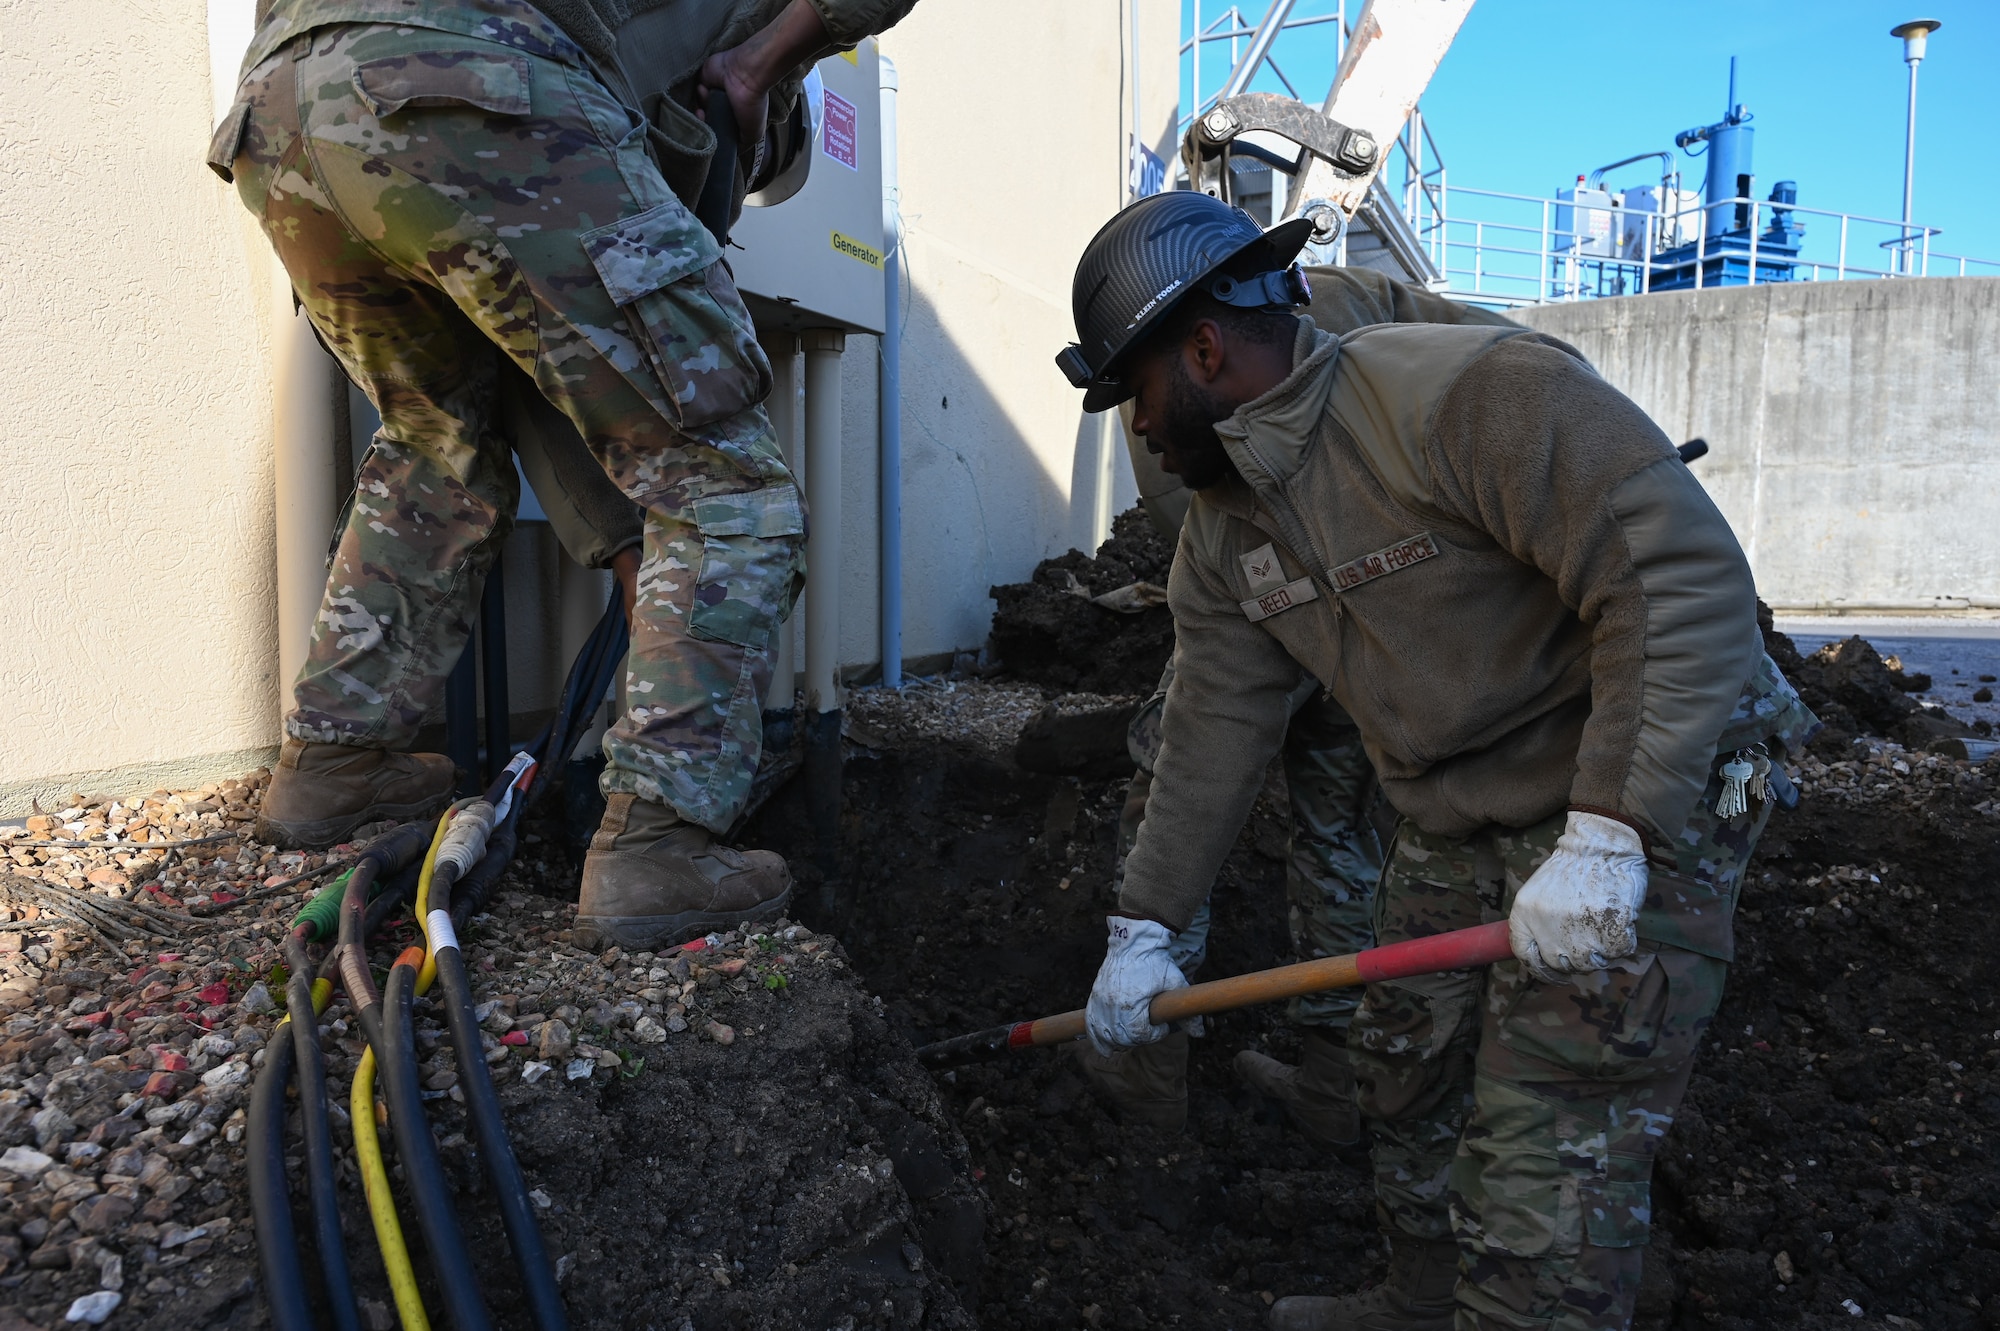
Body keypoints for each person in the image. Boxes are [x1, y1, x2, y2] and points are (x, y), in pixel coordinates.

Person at [1055, 191, 1816, 1331]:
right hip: (1459, 799)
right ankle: (1422, 1297)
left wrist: (1611, 832)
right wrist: (1143, 925)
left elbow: (1673, 581)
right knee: (1403, 1057)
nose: (1142, 433)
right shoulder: (1224, 534)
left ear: (1204, 348)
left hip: (1644, 762)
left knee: (1545, 1131)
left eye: (1136, 397)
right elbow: (1214, 720)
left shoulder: (1464, 395)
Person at [209, 0, 919, 948]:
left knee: (434, 440)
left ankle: (334, 759)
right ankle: (659, 846)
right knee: (722, 479)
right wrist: (765, 65)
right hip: (472, 76)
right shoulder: (729, 49)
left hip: (280, 114)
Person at [1080, 270, 1520, 1146]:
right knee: (1338, 831)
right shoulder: (1347, 306)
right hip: (1344, 604)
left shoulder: (1265, 350)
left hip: (1313, 590)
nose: (1137, 422)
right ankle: (1333, 1081)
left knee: (1171, 793)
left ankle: (1146, 1081)